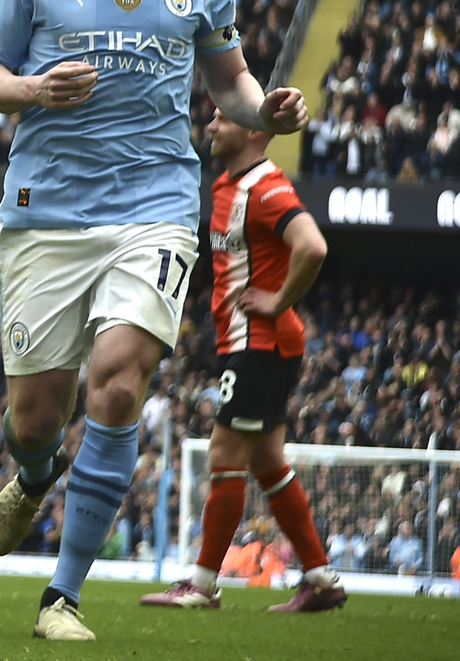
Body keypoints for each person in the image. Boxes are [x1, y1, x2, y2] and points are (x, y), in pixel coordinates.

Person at [0, 0, 307, 641]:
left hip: (153, 203)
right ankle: (35, 471)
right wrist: (33, 91)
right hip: (45, 207)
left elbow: (230, 84)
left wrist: (269, 106)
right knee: (35, 418)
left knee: (118, 382)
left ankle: (63, 597)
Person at [141, 108, 343, 612]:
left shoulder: (265, 187)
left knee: (225, 456)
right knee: (267, 461)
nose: (209, 126)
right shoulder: (229, 185)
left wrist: (278, 300)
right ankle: (321, 579)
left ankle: (203, 585)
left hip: (261, 343)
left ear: (254, 131)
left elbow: (312, 246)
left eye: (221, 119)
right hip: (249, 343)